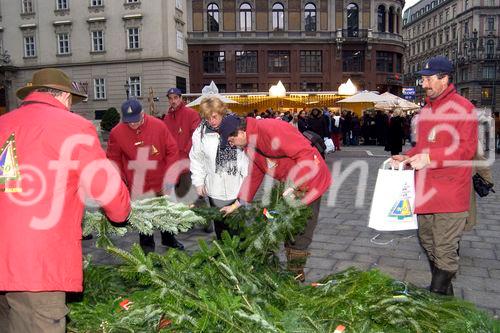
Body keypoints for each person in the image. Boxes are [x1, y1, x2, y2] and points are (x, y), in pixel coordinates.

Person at [0, 68, 131, 333]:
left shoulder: (3, 123)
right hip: (39, 262)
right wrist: (123, 212)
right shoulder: (73, 126)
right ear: (63, 96)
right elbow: (106, 189)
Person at [391, 56, 478, 295]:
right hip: (426, 190)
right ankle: (445, 295)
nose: (424, 84)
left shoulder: (463, 108)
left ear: (445, 79)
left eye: (428, 79)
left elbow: (466, 149)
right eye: (422, 79)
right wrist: (408, 156)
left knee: (444, 248)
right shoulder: (427, 109)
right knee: (427, 242)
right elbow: (423, 146)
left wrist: (431, 159)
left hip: (450, 193)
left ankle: (436, 297)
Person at [219, 117, 332, 281]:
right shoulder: (248, 144)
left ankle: (296, 274)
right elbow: (255, 172)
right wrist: (238, 203)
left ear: (241, 132)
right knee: (274, 217)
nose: (232, 145)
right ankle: (286, 263)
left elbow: (306, 154)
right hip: (288, 182)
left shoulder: (273, 129)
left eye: (231, 140)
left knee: (301, 228)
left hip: (309, 180)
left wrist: (294, 186)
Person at [107, 99, 183, 253]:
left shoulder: (158, 126)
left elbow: (172, 151)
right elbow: (113, 159)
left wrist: (170, 180)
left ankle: (169, 239)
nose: (133, 125)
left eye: (136, 121)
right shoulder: (117, 132)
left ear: (142, 113)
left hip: (161, 179)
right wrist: (122, 182)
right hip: (137, 182)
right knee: (143, 215)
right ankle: (147, 246)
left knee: (166, 212)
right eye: (129, 122)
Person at [190, 97, 248, 239]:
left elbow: (248, 158)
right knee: (221, 231)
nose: (211, 121)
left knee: (238, 231)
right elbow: (197, 159)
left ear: (221, 112)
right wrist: (198, 183)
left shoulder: (237, 128)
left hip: (237, 188)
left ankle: (241, 258)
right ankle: (224, 259)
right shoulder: (200, 133)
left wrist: (247, 184)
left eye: (214, 116)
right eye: (207, 117)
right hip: (214, 189)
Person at [163, 87, 202, 207]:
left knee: (190, 200)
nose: (173, 101)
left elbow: (195, 136)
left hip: (187, 164)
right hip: (172, 165)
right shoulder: (167, 118)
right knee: (176, 201)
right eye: (170, 99)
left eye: (175, 98)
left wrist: (185, 153)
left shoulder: (192, 114)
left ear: (181, 98)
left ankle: (197, 224)